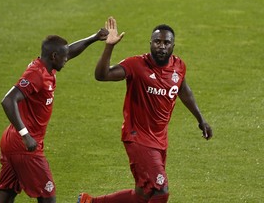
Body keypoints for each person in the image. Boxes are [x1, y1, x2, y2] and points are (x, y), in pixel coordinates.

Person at [77, 17, 213, 203]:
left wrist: (201, 119)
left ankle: (89, 202)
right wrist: (109, 46)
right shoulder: (136, 65)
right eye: (157, 42)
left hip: (159, 140)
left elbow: (183, 90)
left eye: (166, 42)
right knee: (160, 191)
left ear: (173, 45)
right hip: (138, 137)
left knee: (142, 195)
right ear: (150, 43)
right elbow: (102, 75)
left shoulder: (179, 67)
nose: (162, 46)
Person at [0, 28, 109, 203]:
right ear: (54, 56)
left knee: (6, 196)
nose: (66, 60)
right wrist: (26, 135)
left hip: (11, 141)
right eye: (64, 57)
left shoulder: (48, 66)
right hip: (24, 145)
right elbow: (8, 101)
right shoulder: (36, 75)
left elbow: (70, 51)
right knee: (48, 197)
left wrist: (94, 38)